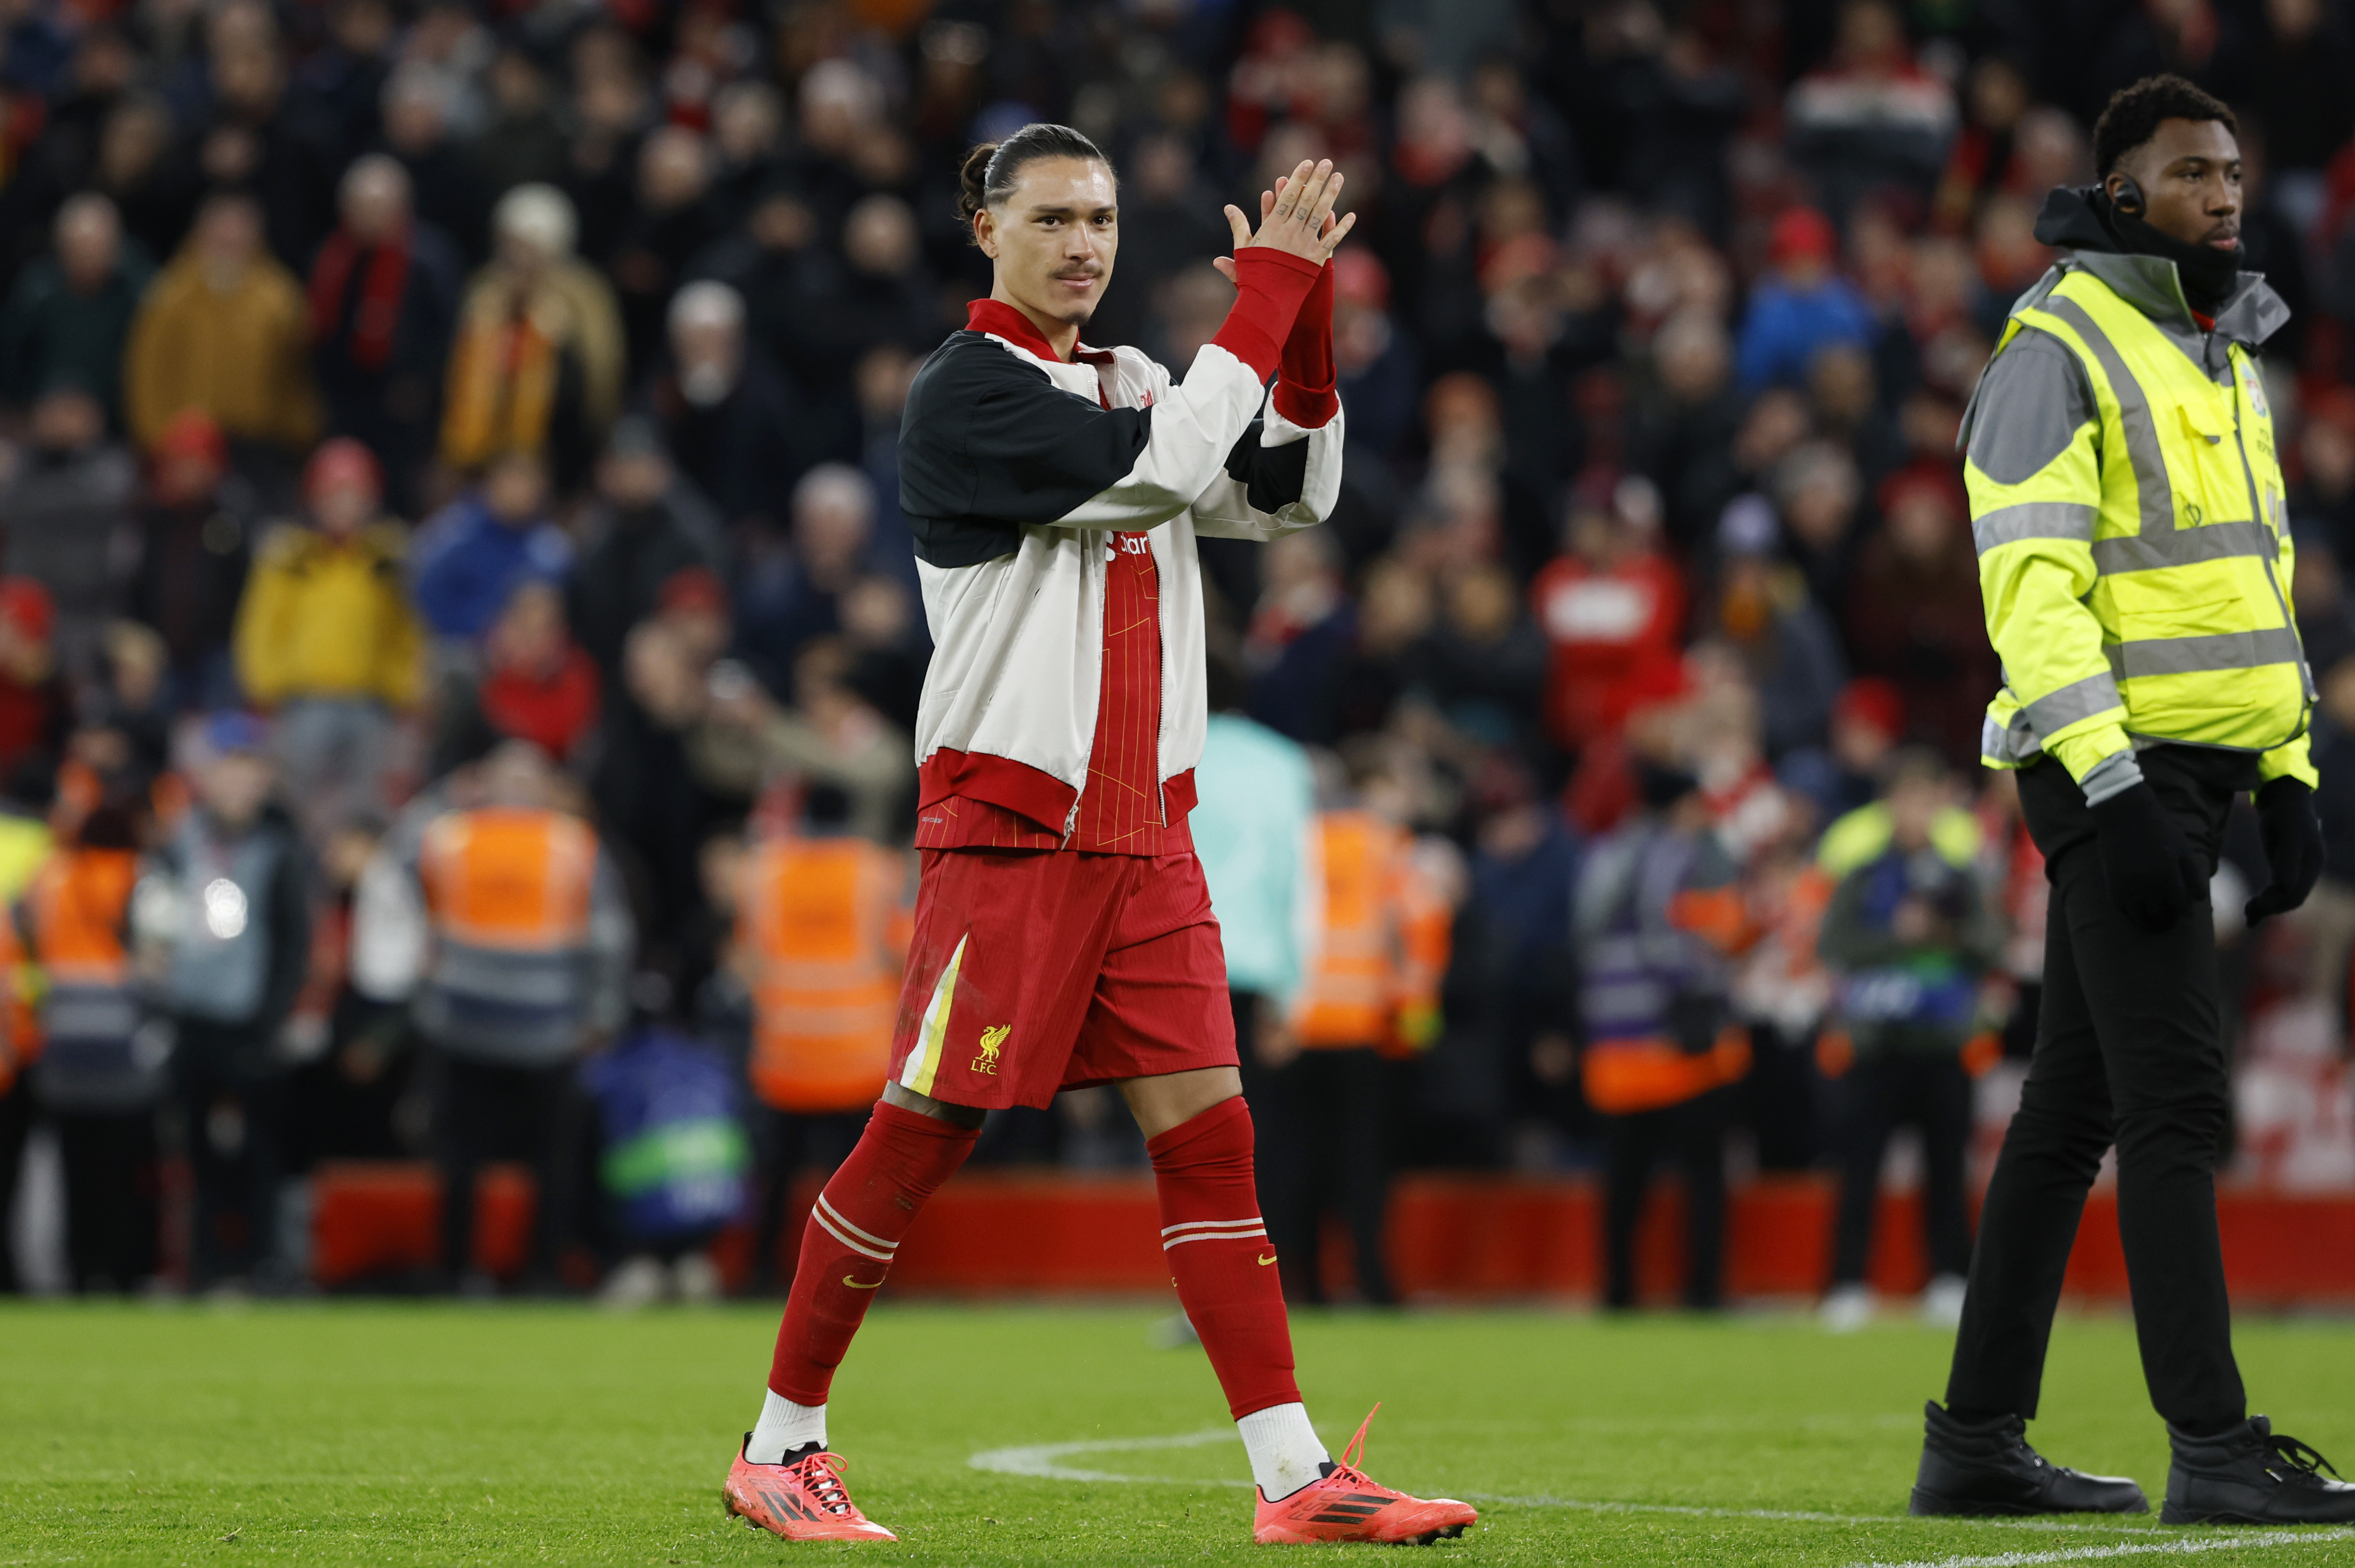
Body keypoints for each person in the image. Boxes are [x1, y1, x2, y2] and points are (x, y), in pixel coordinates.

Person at [722, 126, 1475, 1548]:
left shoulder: (1133, 377)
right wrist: (1261, 294)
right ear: (983, 229)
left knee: (1210, 1136)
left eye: (1106, 220)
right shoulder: (961, 393)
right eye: (1056, 217)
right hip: (1011, 826)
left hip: (1146, 832)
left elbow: (1279, 493)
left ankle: (1292, 1475)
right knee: (920, 1132)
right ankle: (779, 1443)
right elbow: (1168, 465)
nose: (1085, 244)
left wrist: (1302, 324)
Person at [1920, 76, 2355, 1525]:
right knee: (2176, 1105)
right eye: (2187, 174)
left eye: (2230, 170)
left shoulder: (2211, 343)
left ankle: (1974, 1435)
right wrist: (2115, 795)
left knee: (2072, 1110)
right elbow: (2028, 594)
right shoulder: (2058, 344)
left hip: (2200, 771)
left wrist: (2288, 773)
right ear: (2121, 196)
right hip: (2114, 770)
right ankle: (2214, 1445)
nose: (2223, 194)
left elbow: (2256, 580)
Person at [395, 742, 634, 1289]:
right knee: (466, 1162)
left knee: (538, 1164)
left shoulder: (551, 841)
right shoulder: (481, 836)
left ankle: (530, 1268)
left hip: (530, 1030)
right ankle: (473, 1269)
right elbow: (401, 859)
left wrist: (600, 1012)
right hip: (479, 1028)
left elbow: (608, 936)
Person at [1814, 751, 1999, 1332]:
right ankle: (1847, 1283)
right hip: (1875, 1042)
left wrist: (1939, 932)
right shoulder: (1865, 875)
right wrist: (1898, 938)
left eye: (1927, 798)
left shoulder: (1961, 874)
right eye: (1906, 798)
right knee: (1860, 1167)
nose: (1917, 810)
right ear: (1889, 805)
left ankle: (1948, 1279)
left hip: (1941, 1042)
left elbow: (1990, 943)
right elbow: (1835, 944)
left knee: (1947, 1168)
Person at [135, 713, 311, 1292]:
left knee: (261, 1148)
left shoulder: (280, 847)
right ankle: (203, 1264)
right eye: (227, 772)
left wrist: (272, 1015)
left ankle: (261, 1262)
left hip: (248, 1020)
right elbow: (148, 918)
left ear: (264, 779)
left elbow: (294, 941)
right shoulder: (180, 839)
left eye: (249, 773)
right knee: (195, 1148)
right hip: (189, 1014)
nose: (238, 785)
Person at [1574, 747, 1752, 1311]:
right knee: (1702, 1175)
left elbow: (1583, 934)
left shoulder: (1605, 853)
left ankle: (1619, 1292)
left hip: (1614, 1036)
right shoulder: (1677, 853)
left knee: (1623, 1179)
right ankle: (1704, 1291)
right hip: (1679, 1039)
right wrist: (1704, 985)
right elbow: (1668, 933)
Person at [1270, 749, 1448, 1308]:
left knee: (1296, 1161)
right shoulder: (1387, 846)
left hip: (1295, 1029)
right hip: (1363, 1030)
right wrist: (1415, 1026)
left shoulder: (1295, 845)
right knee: (1363, 1166)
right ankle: (1372, 1282)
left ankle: (1302, 1286)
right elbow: (1422, 933)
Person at [736, 784, 911, 1290]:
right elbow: (903, 952)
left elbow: (750, 957)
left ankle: (760, 1273)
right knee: (860, 1182)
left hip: (784, 1052)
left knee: (776, 1176)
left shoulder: (763, 873)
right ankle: (858, 1278)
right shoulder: (877, 872)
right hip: (858, 1054)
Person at [232, 439, 425, 839]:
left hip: (369, 699)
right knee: (296, 799)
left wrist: (405, 687)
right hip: (303, 698)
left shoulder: (384, 559)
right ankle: (298, 881)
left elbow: (404, 629)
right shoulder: (291, 556)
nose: (345, 506)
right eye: (334, 495)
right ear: (313, 498)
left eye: (356, 495)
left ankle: (357, 885)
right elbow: (262, 624)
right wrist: (265, 684)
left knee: (368, 801)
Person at [22, 802, 159, 1292]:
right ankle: (123, 1273)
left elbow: (23, 937)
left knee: (74, 1176)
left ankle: (79, 1272)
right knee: (123, 1176)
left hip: (62, 1045)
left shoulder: (50, 878)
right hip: (126, 1052)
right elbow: (166, 956)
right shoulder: (143, 878)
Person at [122, 192, 321, 465]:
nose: (230, 238)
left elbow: (296, 376)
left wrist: (300, 435)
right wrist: (156, 438)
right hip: (187, 446)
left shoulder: (280, 297)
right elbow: (148, 373)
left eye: (240, 230)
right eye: (221, 230)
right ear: (200, 234)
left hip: (261, 442)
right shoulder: (170, 296)